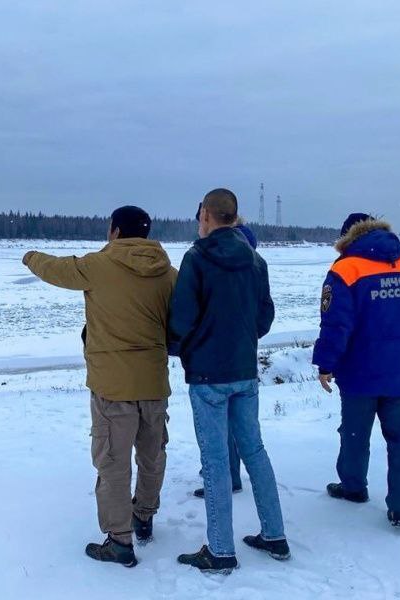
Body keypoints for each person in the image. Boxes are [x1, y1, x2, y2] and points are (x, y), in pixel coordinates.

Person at [22, 206, 177, 567]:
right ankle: (144, 517)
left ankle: (119, 540)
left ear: (115, 231)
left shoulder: (97, 266)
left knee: (112, 462)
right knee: (152, 455)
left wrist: (29, 256)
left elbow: (55, 269)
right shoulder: (169, 274)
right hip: (154, 382)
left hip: (112, 385)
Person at [170, 188, 290, 574]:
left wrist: (180, 347)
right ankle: (275, 535)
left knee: (217, 459)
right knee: (254, 451)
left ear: (206, 215)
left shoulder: (196, 259)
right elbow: (264, 317)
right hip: (243, 371)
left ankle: (221, 550)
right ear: (235, 218)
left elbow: (182, 317)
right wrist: (239, 339)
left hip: (208, 375)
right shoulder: (255, 261)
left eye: (200, 215)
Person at [312, 213, 400, 529]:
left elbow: (336, 325)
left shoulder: (345, 269)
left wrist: (327, 363)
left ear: (347, 237)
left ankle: (353, 487)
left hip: (360, 371)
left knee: (355, 434)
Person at [191, 216, 258, 499]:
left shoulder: (209, 254)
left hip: (215, 359)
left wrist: (192, 345)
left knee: (220, 432)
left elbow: (188, 312)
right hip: (242, 355)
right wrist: (247, 335)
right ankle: (228, 475)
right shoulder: (249, 250)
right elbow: (263, 311)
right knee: (246, 436)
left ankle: (224, 478)